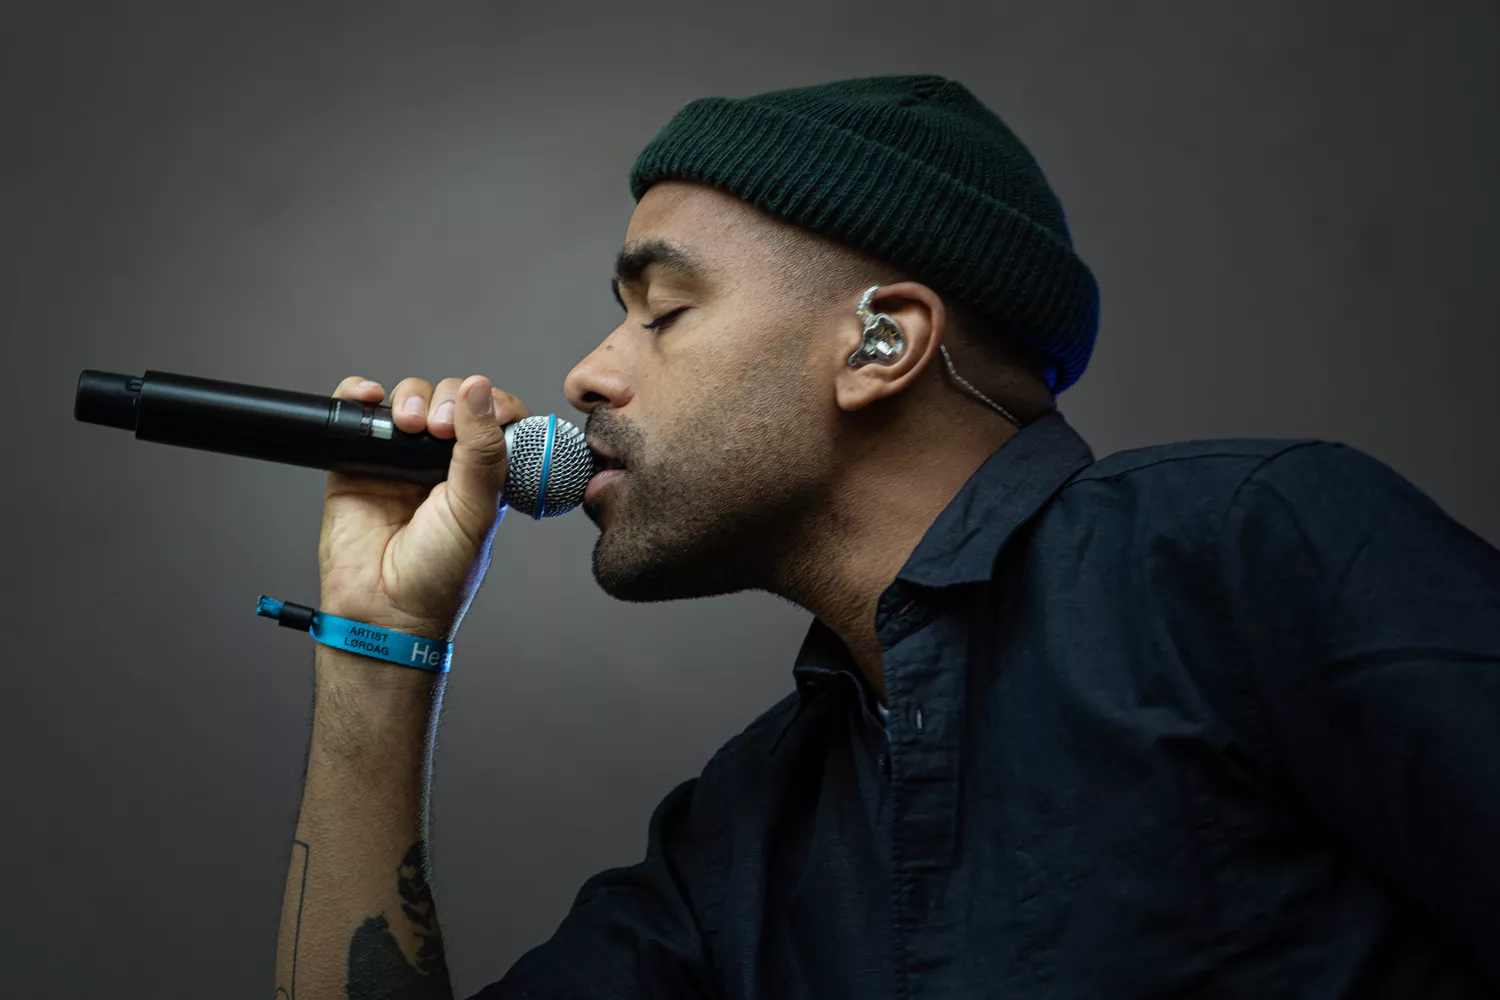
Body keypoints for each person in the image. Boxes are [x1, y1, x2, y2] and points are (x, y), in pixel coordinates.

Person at [271, 76, 1500, 999]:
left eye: (665, 310)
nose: (586, 376)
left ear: (881, 342)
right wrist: (380, 643)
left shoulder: (1242, 550)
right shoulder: (748, 835)